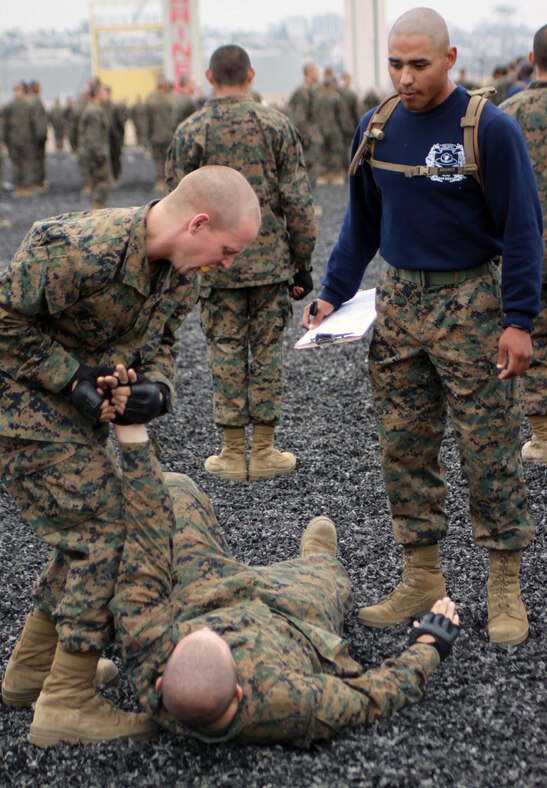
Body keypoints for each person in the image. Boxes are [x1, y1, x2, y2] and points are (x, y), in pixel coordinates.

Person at [302, 8, 543, 647]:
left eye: (418, 64)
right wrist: (332, 294)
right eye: (394, 64)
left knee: (488, 451)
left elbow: (523, 231)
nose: (404, 77)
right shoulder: (376, 128)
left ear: (450, 57)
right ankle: (420, 575)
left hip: (471, 307)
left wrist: (519, 321)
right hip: (400, 308)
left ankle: (503, 584)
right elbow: (362, 225)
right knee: (404, 448)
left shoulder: (488, 130)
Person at [0, 166, 261, 746]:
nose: (227, 266)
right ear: (197, 223)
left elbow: (160, 341)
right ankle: (65, 704)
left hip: (72, 416)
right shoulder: (75, 249)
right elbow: (3, 318)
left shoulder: (180, 274)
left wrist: (157, 387)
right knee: (106, 530)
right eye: (226, 250)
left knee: (86, 528)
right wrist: (72, 379)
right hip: (18, 408)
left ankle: (33, 672)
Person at [108, 406, 461, 747]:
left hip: (205, 592)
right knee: (331, 574)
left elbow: (145, 538)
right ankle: (315, 560)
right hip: (292, 620)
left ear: (158, 684)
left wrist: (130, 433)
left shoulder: (148, 651)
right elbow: (372, 696)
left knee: (173, 490)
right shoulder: (285, 702)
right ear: (238, 692)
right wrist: (428, 648)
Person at [165, 44, 317, 481]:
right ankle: (265, 450)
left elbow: (174, 207)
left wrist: (181, 265)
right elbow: (298, 201)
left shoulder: (191, 131)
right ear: (250, 75)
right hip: (270, 264)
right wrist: (302, 261)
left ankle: (232, 453)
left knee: (225, 349)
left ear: (210, 77)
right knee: (267, 351)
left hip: (212, 264)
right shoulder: (276, 125)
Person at [501, 24, 547, 464]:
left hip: (526, 248)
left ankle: (544, 436)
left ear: (532, 60)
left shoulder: (506, 115)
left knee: (534, 333)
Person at [287, 61, 324, 187]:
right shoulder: (303, 91)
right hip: (307, 135)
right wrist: (304, 137)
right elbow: (299, 117)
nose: (318, 74)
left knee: (313, 166)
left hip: (311, 133)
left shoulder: (311, 90)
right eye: (316, 71)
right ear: (310, 73)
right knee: (308, 166)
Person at [77, 80, 111, 209]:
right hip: (94, 153)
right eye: (104, 92)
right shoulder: (94, 111)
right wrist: (99, 154)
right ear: (97, 94)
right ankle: (96, 212)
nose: (107, 95)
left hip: (92, 151)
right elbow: (93, 135)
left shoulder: (95, 109)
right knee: (101, 182)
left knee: (98, 183)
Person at [2, 81, 35, 196]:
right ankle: (26, 187)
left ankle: (18, 188)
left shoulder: (9, 105)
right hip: (26, 139)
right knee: (26, 162)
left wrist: (4, 139)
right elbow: (33, 123)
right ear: (23, 91)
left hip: (12, 140)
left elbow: (4, 124)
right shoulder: (29, 105)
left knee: (15, 164)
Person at [146, 77, 175, 192]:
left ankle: (159, 181)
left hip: (156, 136)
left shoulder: (151, 101)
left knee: (158, 159)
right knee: (169, 159)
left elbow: (147, 120)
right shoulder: (172, 100)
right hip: (170, 135)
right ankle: (169, 181)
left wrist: (146, 136)